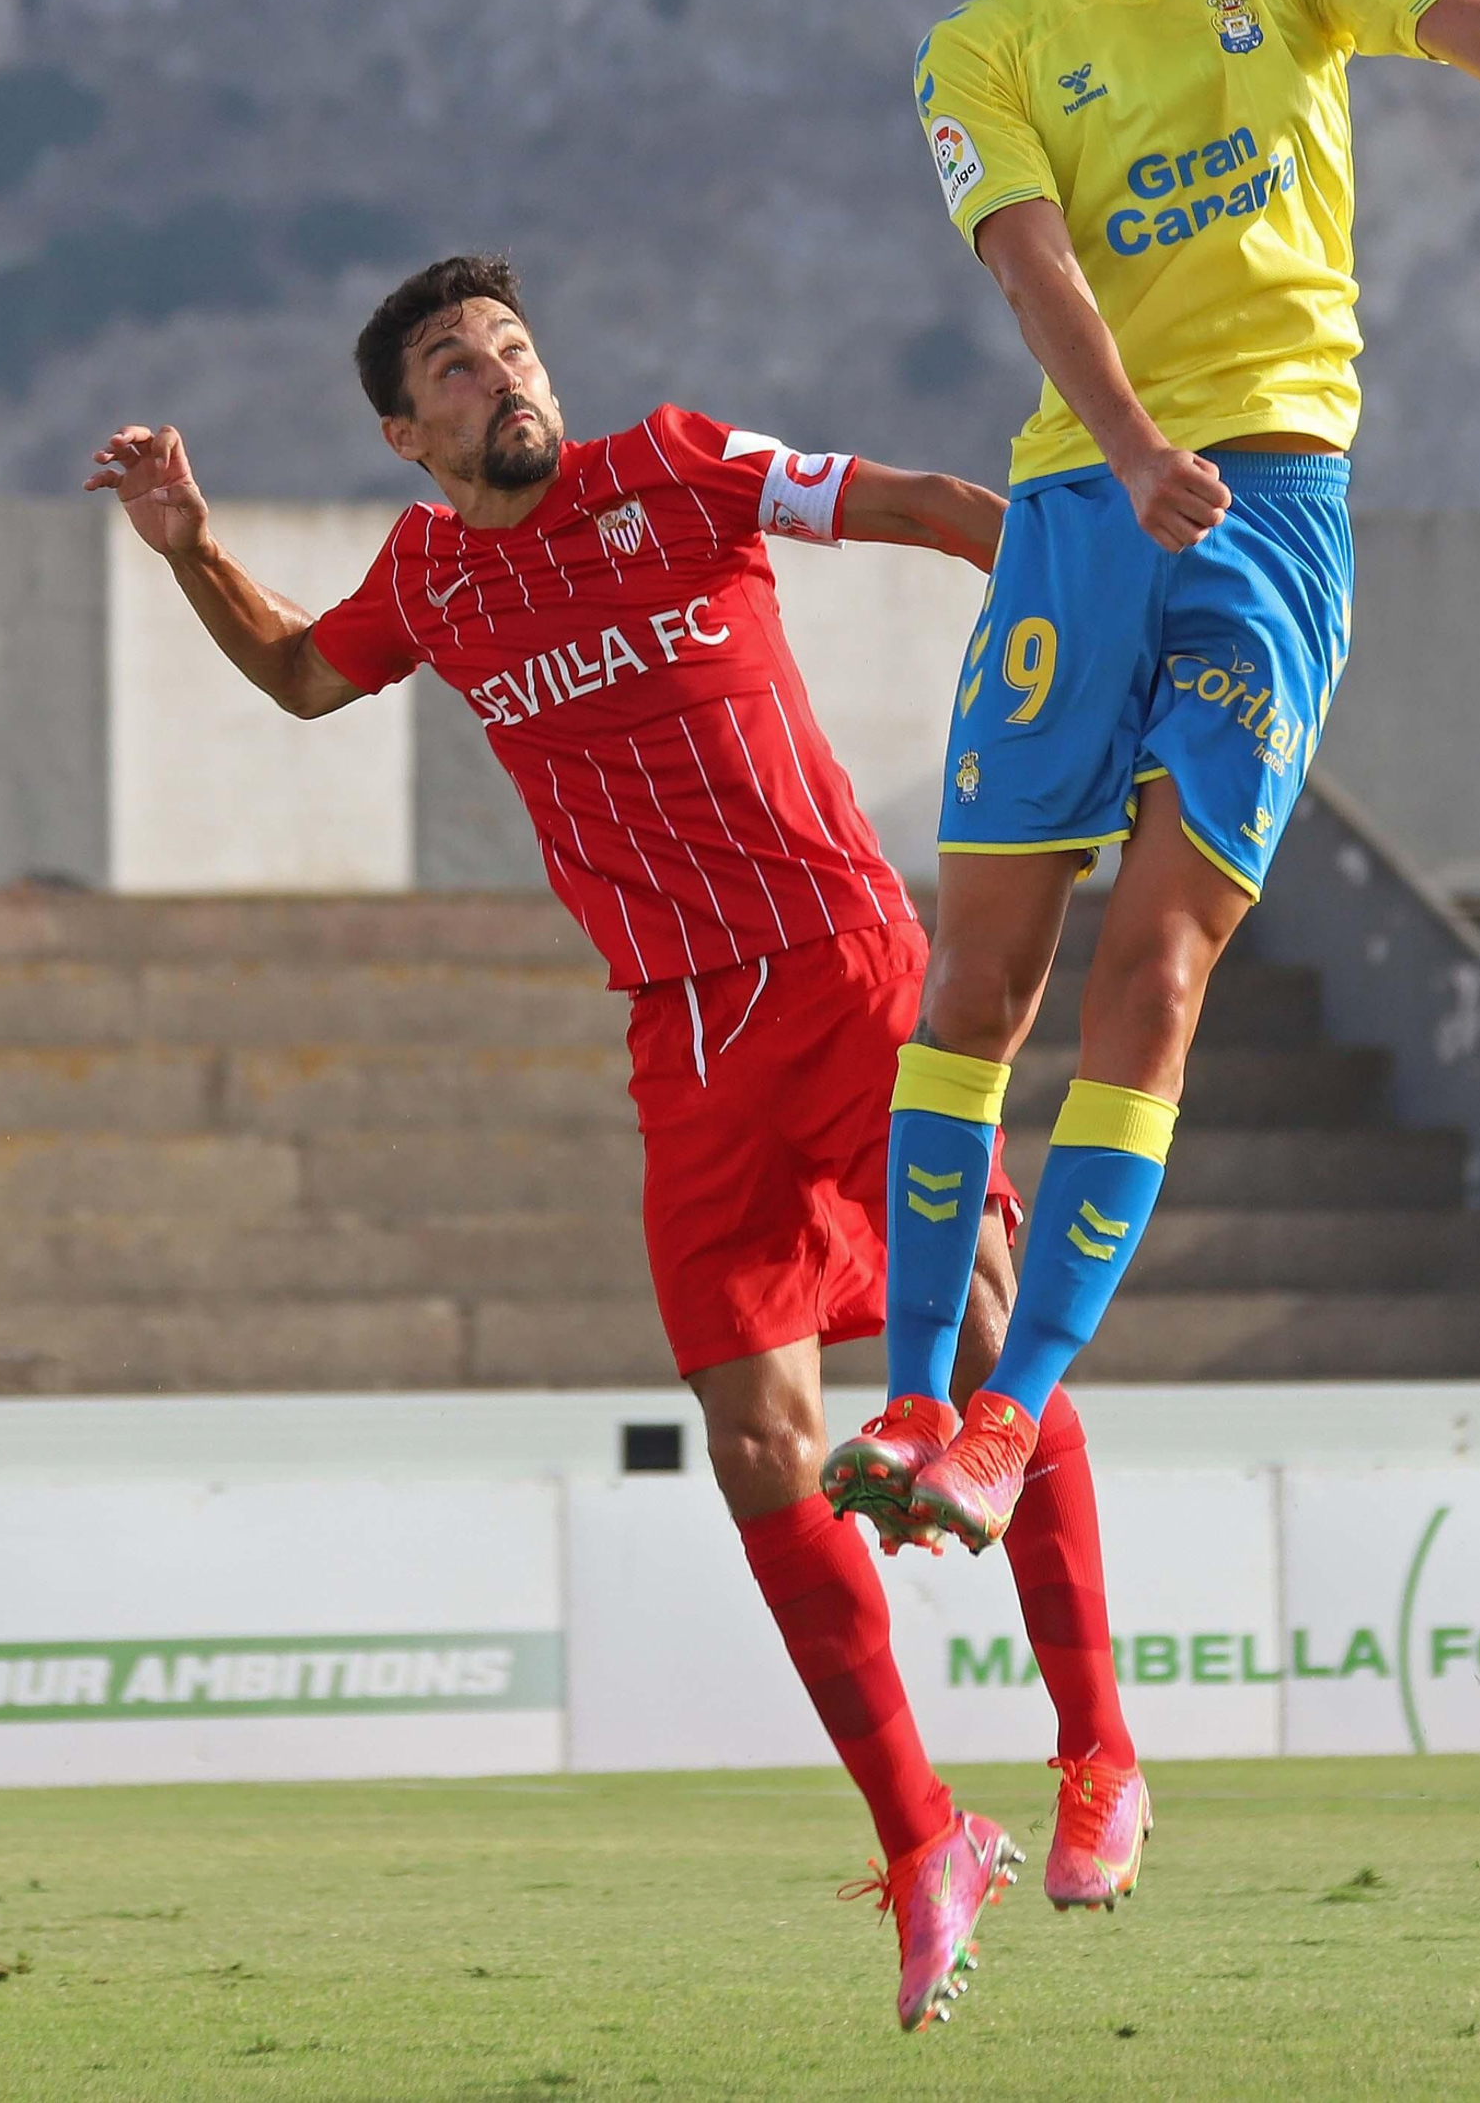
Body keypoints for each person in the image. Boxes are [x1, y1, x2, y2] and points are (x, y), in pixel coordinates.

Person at [84, 251, 1146, 2033]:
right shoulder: (428, 576)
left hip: (847, 967)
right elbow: (293, 675)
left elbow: (937, 507)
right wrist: (189, 541)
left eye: (511, 341)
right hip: (684, 1036)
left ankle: (1096, 1747)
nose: (500, 368)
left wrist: (1078, 603)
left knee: (976, 1335)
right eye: (453, 360)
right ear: (406, 432)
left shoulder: (674, 460)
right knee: (755, 1443)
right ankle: (921, 1838)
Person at [823, 0, 1480, 1601]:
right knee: (973, 980)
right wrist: (1131, 449)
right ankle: (912, 1395)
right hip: (1083, 521)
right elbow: (1029, 262)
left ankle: (1006, 1420)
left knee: (1152, 977)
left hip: (1267, 516)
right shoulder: (974, 50)